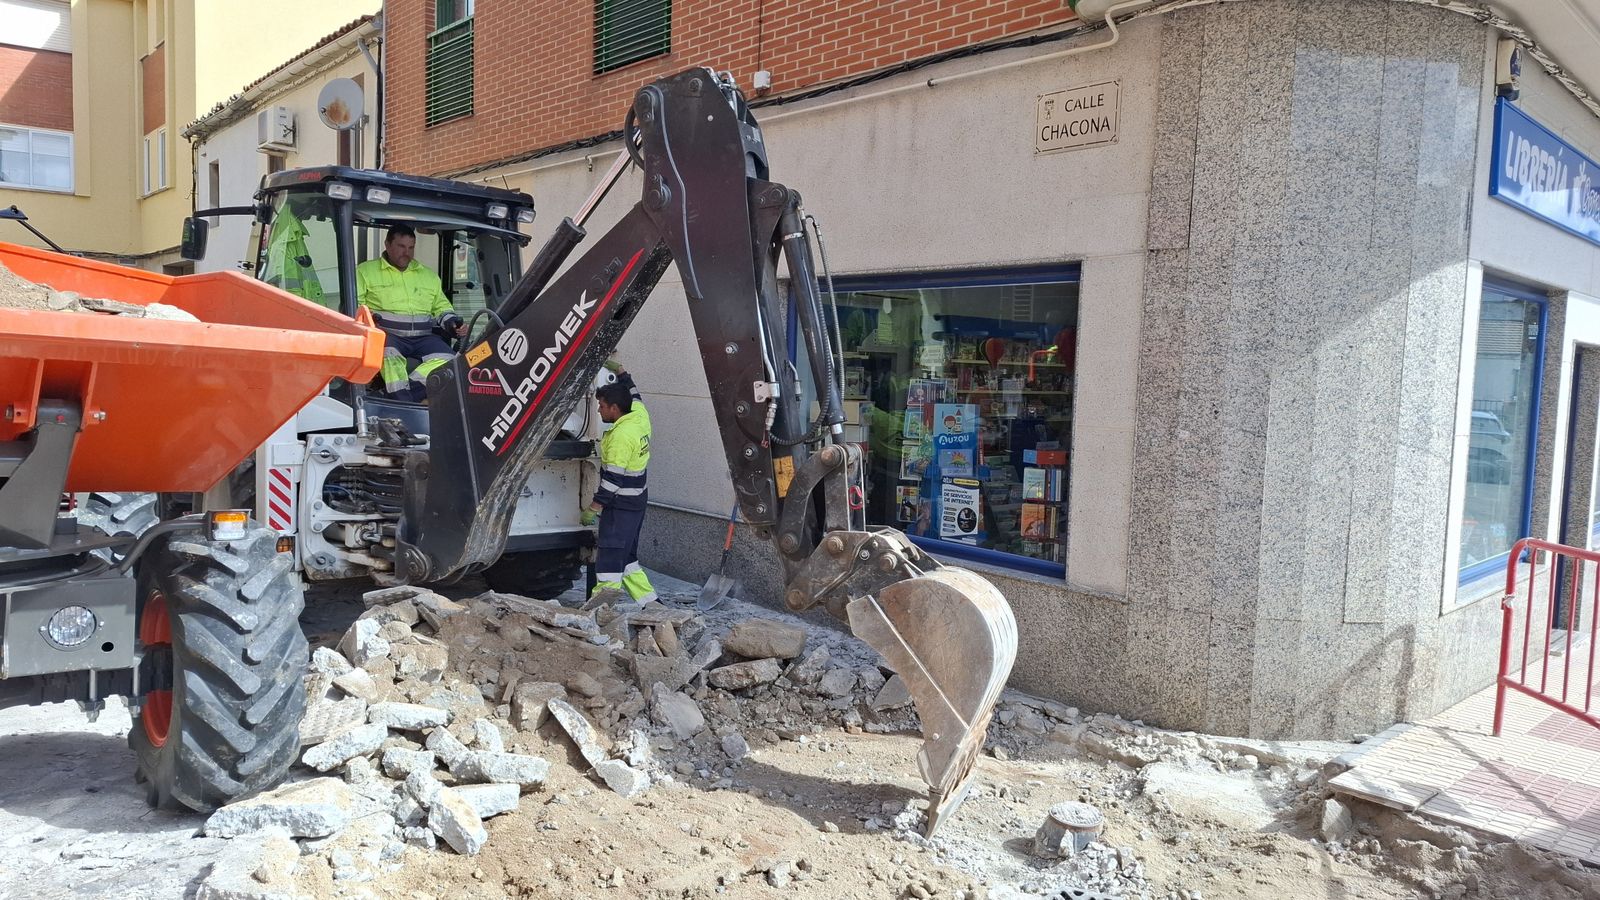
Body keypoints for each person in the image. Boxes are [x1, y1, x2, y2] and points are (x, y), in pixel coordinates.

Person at [355, 224, 465, 401]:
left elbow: (441, 307)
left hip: (423, 337)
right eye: (401, 246)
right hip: (387, 335)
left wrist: (452, 323)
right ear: (387, 244)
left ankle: (400, 398)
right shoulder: (365, 271)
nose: (406, 252)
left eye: (411, 247)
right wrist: (370, 325)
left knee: (451, 361)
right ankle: (402, 401)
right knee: (389, 354)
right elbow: (357, 305)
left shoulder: (428, 276)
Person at [584, 381, 657, 602]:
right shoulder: (639, 418)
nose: (599, 410)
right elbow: (636, 396)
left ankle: (599, 610)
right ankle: (653, 606)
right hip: (636, 503)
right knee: (626, 559)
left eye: (602, 405)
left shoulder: (621, 437)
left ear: (615, 408)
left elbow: (613, 480)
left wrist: (594, 507)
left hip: (621, 506)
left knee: (610, 558)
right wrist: (622, 373)